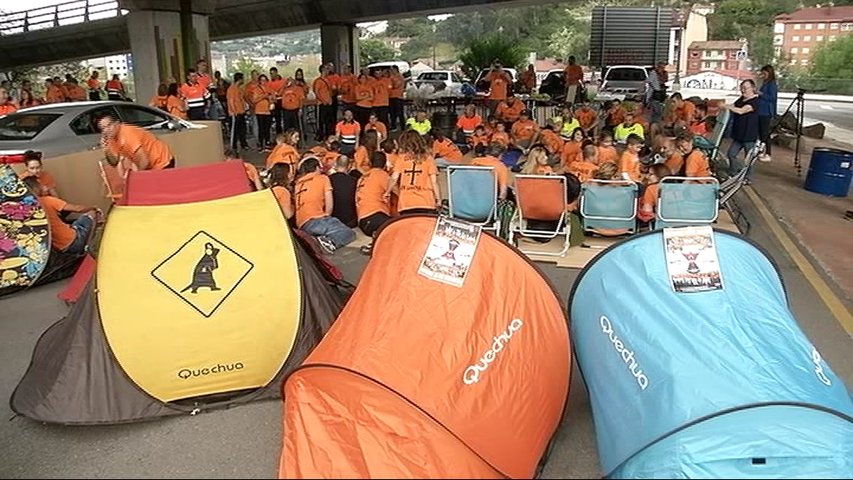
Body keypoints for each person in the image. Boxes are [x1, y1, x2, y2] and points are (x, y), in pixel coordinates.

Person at [23, 176, 100, 255]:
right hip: (74, 242)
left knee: (74, 224)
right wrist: (93, 207)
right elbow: (78, 209)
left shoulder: (26, 209)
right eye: (40, 185)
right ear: (35, 188)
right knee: (92, 213)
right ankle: (88, 247)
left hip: (60, 248)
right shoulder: (47, 200)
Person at [293, 157, 356, 254]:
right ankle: (329, 243)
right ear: (317, 167)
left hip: (302, 225)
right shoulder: (322, 178)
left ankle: (313, 240)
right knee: (348, 233)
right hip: (317, 219)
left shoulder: (298, 183)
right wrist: (327, 215)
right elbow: (329, 204)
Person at [97, 113, 175, 177]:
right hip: (149, 167)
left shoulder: (127, 133)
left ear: (117, 123)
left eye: (109, 125)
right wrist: (106, 150)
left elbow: (144, 160)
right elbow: (114, 162)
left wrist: (136, 177)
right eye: (103, 128)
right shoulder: (111, 139)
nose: (107, 130)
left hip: (162, 161)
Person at [385, 130, 441, 214]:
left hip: (406, 203)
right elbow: (434, 181)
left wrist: (387, 192)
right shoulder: (428, 158)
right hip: (426, 202)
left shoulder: (401, 158)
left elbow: (394, 178)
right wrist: (438, 199)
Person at [721, 79, 760, 180]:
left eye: (745, 88)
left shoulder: (755, 101)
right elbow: (733, 106)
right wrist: (724, 106)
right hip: (739, 134)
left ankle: (748, 177)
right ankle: (733, 172)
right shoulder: (741, 99)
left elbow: (741, 111)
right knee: (731, 154)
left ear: (752, 88)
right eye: (741, 88)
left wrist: (725, 106)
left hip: (749, 135)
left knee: (748, 159)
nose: (743, 90)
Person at [356, 151, 393, 242]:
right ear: (384, 164)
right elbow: (397, 191)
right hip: (375, 217)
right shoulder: (382, 175)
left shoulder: (362, 177)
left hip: (363, 221)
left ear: (371, 163)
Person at [328, 155, 358, 228]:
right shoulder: (354, 181)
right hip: (351, 221)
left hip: (333, 219)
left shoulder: (328, 180)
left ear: (336, 164)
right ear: (349, 166)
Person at [757, 65, 777, 162]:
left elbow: (772, 98)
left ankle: (768, 153)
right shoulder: (765, 83)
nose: (763, 75)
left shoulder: (772, 84)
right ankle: (761, 151)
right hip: (761, 110)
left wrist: (761, 94)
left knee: (765, 133)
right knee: (761, 132)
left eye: (764, 73)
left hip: (766, 111)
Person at [226, 72, 250, 151]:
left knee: (242, 129)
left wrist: (245, 108)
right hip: (235, 113)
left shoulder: (239, 89)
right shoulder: (231, 89)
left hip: (241, 112)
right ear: (239, 79)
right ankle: (233, 146)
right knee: (235, 130)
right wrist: (234, 110)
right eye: (242, 78)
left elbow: (242, 99)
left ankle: (244, 144)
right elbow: (231, 101)